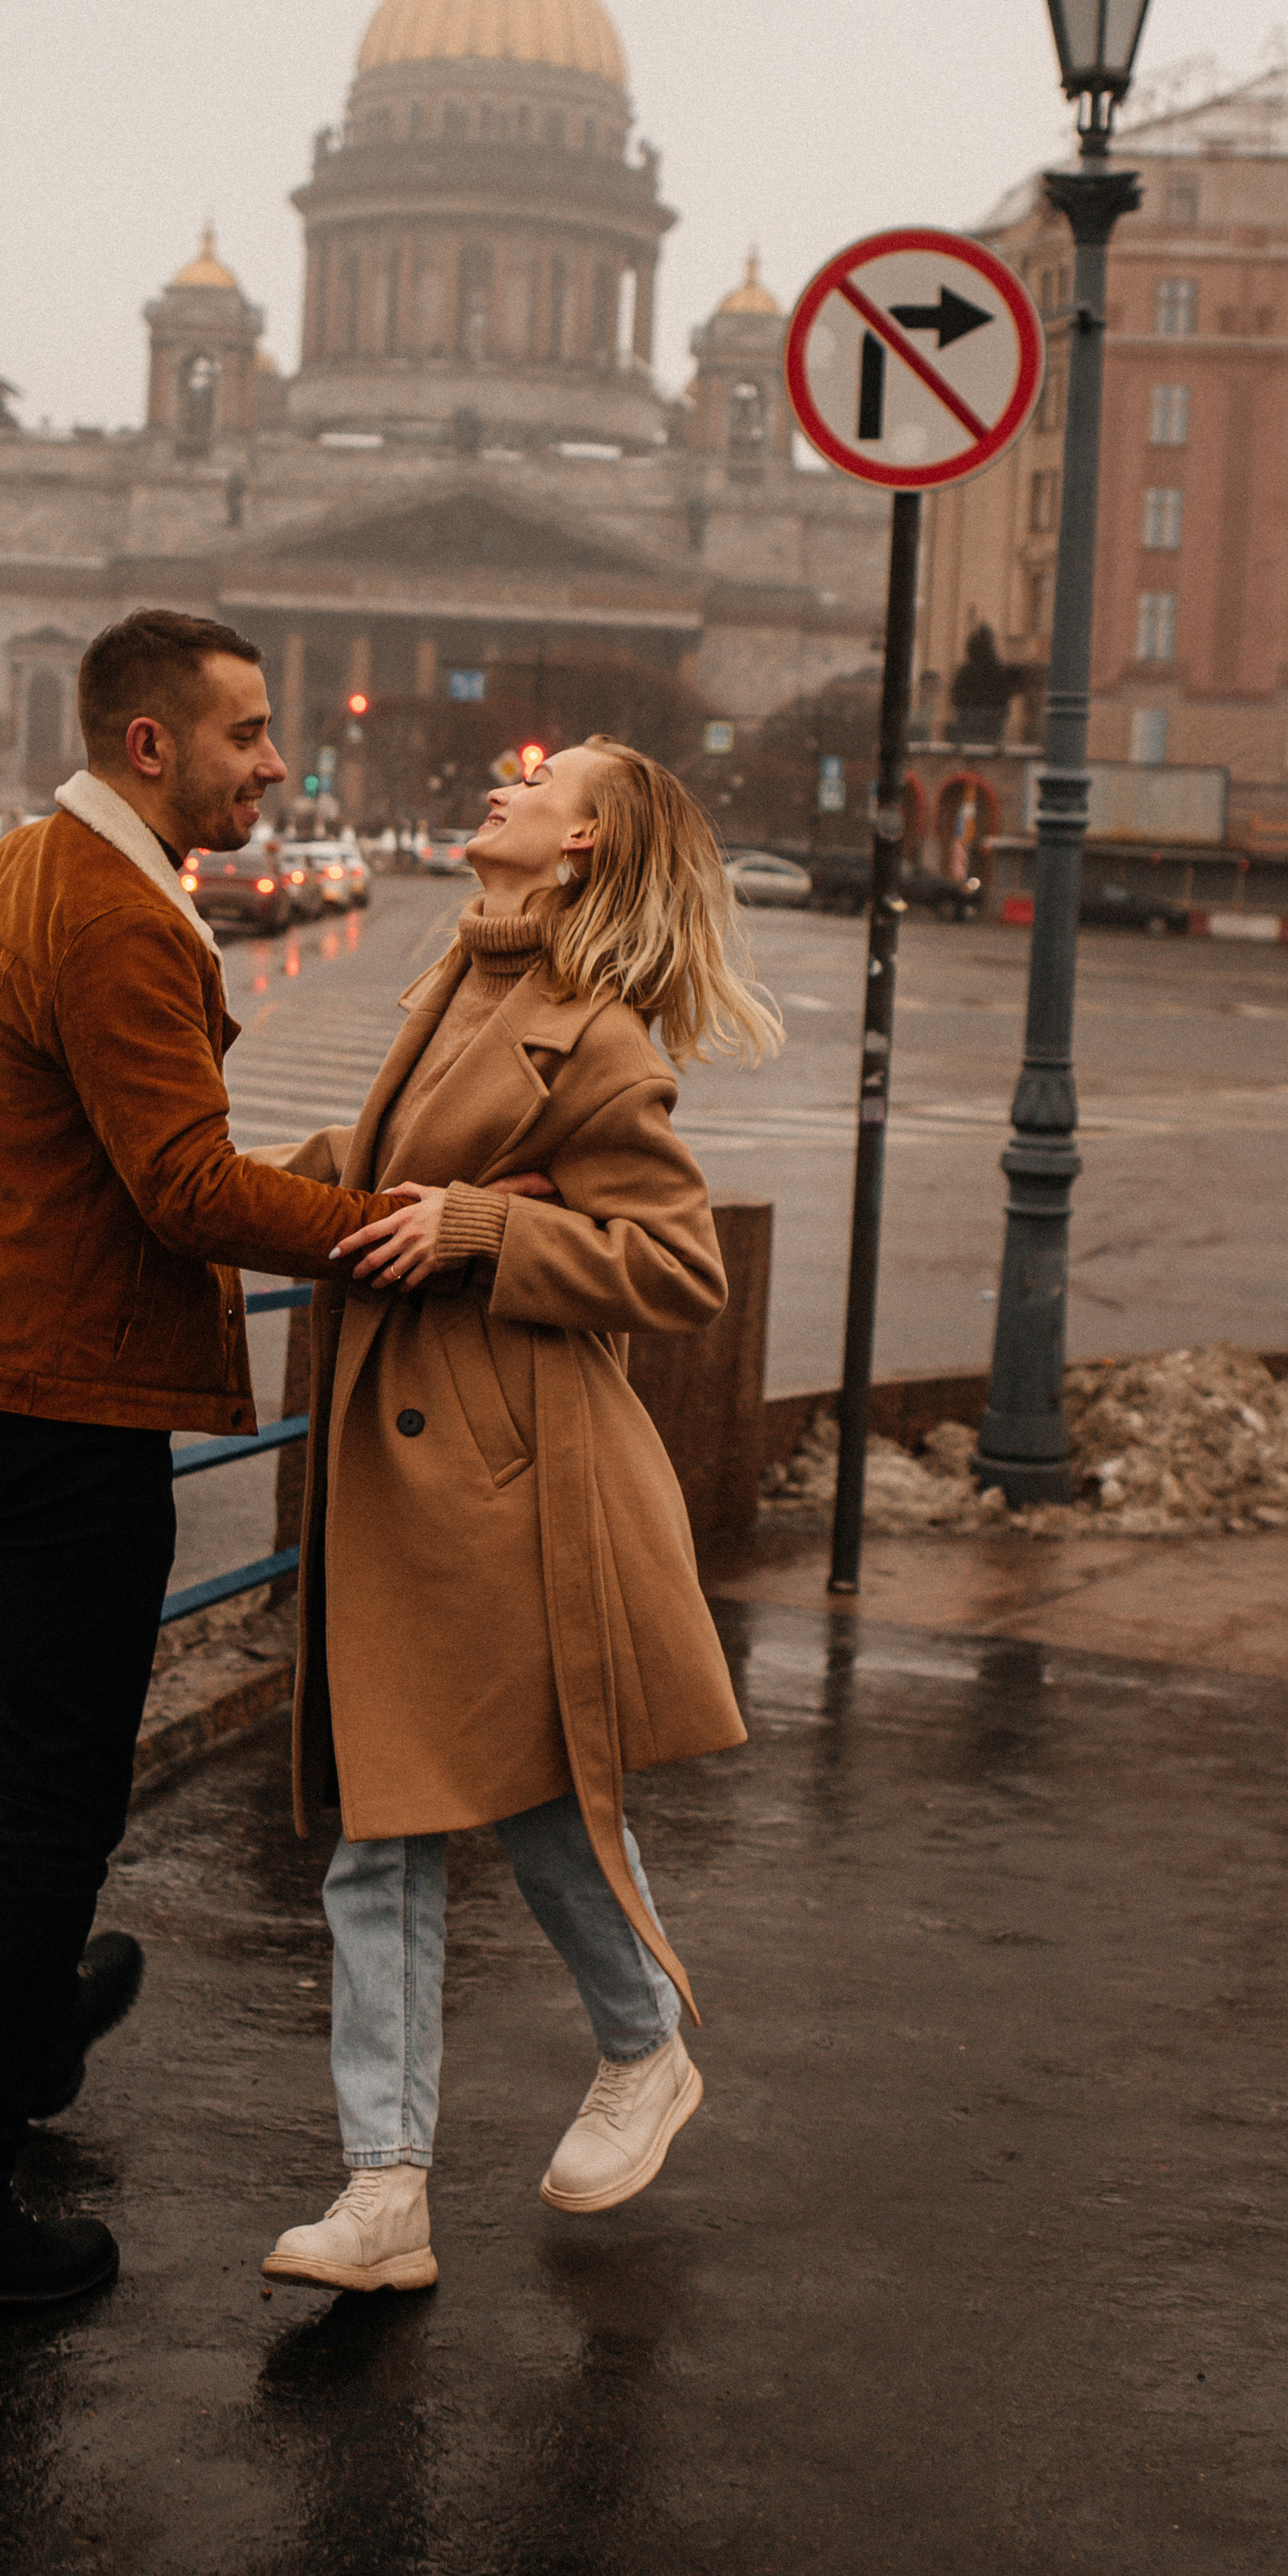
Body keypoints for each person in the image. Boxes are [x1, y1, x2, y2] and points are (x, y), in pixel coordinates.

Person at [0, 609, 399, 2334]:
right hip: (58, 1410)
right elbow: (186, 1193)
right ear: (151, 746)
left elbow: (8, 1138)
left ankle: (37, 2018)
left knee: (2, 1753)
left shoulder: (5, 875)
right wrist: (388, 1227)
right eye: (245, 736)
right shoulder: (118, 919)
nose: (274, 765)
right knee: (62, 1802)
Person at [256, 736, 783, 2294]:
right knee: (383, 1837)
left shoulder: (597, 1039)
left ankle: (642, 2047)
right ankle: (384, 2191)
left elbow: (682, 1268)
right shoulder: (456, 988)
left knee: (542, 1807)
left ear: (583, 851)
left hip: (511, 1481)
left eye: (543, 783)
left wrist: (490, 1227)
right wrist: (190, 1203)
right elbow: (360, 1180)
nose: (504, 784)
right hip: (413, 1472)